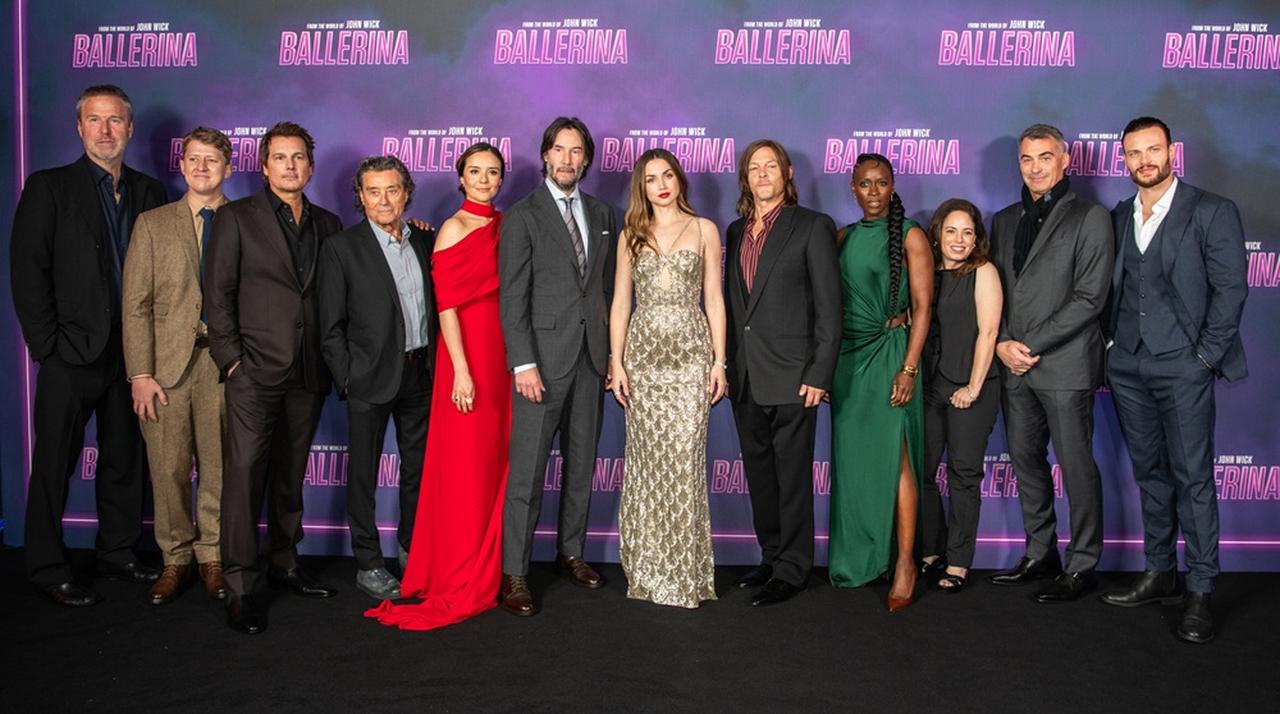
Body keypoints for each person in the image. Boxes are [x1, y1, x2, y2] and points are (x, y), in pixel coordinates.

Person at [11, 84, 166, 606]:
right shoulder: (49, 187)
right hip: (70, 353)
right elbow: (28, 272)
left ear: (130, 129)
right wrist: (47, 347)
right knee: (54, 463)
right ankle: (47, 566)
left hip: (132, 355)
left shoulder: (149, 192)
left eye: (115, 120)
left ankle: (118, 552)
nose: (105, 130)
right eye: (95, 120)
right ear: (79, 128)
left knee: (124, 459)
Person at [1100, 116, 1248, 644]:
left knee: (1193, 478)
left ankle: (1201, 588)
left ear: (1171, 152)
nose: (1145, 160)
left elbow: (1231, 291)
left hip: (1184, 365)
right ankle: (1160, 571)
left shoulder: (1211, 210)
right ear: (1124, 159)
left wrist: (1203, 357)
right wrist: (1112, 348)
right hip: (1127, 366)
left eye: (1153, 150)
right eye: (1134, 152)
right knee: (1150, 475)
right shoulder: (1119, 216)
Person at [204, 121, 343, 634]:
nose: (290, 165)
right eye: (280, 157)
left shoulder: (328, 223)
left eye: (298, 157)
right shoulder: (236, 217)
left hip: (307, 371)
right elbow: (217, 294)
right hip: (253, 372)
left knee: (290, 474)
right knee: (244, 478)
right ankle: (240, 586)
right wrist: (231, 361)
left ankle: (284, 562)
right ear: (264, 167)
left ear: (311, 166)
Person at [368, 143, 512, 630]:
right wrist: (463, 371)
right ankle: (459, 567)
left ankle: (489, 564)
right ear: (461, 177)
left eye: (493, 172)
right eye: (475, 171)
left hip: (501, 356)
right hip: (464, 356)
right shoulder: (451, 228)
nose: (484, 180)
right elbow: (446, 306)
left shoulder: (506, 224)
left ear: (501, 179)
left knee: (493, 462)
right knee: (465, 465)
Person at [988, 123, 1114, 603]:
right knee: (1025, 461)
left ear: (1065, 160)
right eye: (1027, 158)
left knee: (1075, 465)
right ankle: (1040, 553)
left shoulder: (1090, 217)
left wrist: (1027, 344)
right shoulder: (1003, 219)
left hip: (1063, 363)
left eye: (1045, 157)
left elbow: (1089, 298)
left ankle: (1083, 564)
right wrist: (1002, 342)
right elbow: (996, 290)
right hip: (1013, 363)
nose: (1035, 167)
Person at [498, 117, 617, 616]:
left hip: (590, 358)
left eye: (576, 151)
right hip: (540, 365)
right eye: (560, 150)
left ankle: (571, 552)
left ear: (585, 159)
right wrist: (522, 362)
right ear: (545, 154)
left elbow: (606, 289)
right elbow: (512, 296)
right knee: (526, 473)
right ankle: (515, 573)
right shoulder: (522, 215)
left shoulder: (603, 212)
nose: (568, 160)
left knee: (582, 464)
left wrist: (609, 353)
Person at [724, 139, 841, 607]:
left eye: (771, 166)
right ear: (745, 177)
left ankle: (793, 569)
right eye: (754, 167)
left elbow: (830, 309)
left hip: (795, 377)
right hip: (746, 376)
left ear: (788, 173)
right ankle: (771, 557)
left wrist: (820, 373)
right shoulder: (735, 231)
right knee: (760, 476)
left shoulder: (811, 226)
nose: (762, 174)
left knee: (792, 479)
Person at [608, 149, 726, 608]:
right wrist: (617, 362)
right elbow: (621, 301)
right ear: (641, 187)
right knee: (647, 466)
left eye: (668, 176)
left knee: (684, 464)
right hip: (643, 361)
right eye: (651, 178)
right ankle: (649, 568)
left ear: (679, 180)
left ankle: (685, 572)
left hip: (691, 359)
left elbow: (713, 298)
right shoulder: (630, 235)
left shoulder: (704, 229)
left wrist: (719, 362)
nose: (661, 185)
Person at [121, 127, 233, 605]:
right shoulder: (152, 223)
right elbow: (136, 305)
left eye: (212, 160)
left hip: (224, 364)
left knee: (219, 466)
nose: (202, 167)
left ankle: (212, 555)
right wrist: (139, 374)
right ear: (182, 165)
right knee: (167, 467)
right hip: (164, 369)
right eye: (194, 159)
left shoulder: (244, 221)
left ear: (229, 168)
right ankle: (175, 558)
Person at [317, 155, 435, 600]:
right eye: (373, 191)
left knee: (417, 471)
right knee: (363, 475)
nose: (383, 200)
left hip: (420, 374)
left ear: (406, 194)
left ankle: (411, 550)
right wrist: (348, 378)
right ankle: (368, 563)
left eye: (392, 190)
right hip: (368, 379)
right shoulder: (342, 248)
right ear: (361, 198)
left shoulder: (425, 240)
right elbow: (330, 327)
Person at [827, 153, 934, 611]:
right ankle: (861, 557)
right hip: (849, 361)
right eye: (865, 184)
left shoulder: (911, 235)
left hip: (892, 354)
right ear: (852, 188)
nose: (873, 192)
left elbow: (923, 308)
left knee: (898, 459)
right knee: (855, 464)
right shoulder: (842, 237)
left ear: (893, 186)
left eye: (882, 182)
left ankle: (905, 562)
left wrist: (908, 368)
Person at [918, 199, 1003, 594]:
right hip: (930, 384)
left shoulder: (983, 271)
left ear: (976, 238)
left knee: (963, 474)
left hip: (972, 385)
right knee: (921, 470)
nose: (959, 239)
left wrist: (973, 387)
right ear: (937, 233)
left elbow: (989, 332)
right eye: (951, 231)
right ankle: (930, 549)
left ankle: (958, 561)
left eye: (967, 232)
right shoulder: (926, 272)